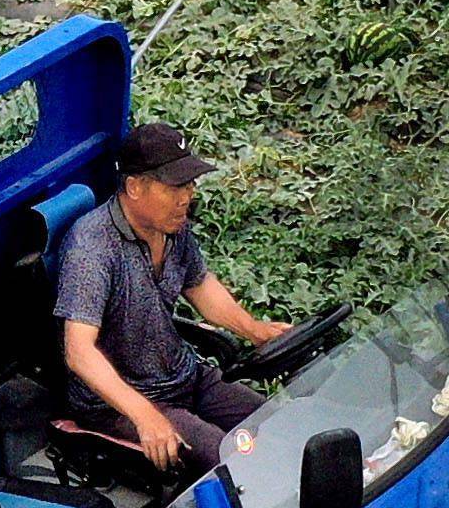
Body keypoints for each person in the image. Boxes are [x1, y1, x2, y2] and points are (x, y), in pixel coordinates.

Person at [54, 120, 289, 471]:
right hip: (122, 405)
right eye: (175, 186)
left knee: (282, 427)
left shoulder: (171, 226)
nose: (187, 197)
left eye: (190, 183)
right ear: (134, 187)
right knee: (237, 462)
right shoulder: (92, 247)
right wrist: (145, 416)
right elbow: (79, 352)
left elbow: (201, 286)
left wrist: (255, 330)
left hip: (184, 376)